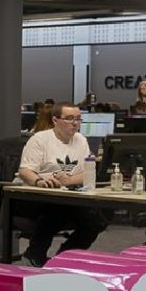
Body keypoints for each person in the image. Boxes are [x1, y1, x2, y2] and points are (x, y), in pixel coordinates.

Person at [16, 104, 105, 267]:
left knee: (96, 220)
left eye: (78, 119)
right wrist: (40, 181)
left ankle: (65, 256)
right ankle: (34, 255)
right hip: (35, 194)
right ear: (55, 120)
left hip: (67, 195)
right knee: (57, 210)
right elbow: (25, 171)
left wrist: (67, 181)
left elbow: (87, 173)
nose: (75, 123)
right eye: (69, 119)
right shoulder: (40, 139)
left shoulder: (81, 140)